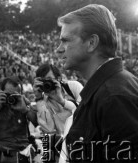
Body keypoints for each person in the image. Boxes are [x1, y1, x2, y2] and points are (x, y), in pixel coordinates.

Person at [57, 4, 138, 163]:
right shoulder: (107, 90)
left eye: (65, 40)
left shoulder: (113, 97)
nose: (58, 49)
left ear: (91, 43)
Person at [0, 76, 39, 163]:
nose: (11, 98)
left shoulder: (23, 104)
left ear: (21, 94)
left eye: (15, 95)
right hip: (1, 155)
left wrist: (25, 110)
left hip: (23, 154)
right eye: (8, 94)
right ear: (1, 92)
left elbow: (40, 126)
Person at [33, 63, 83, 162]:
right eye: (42, 80)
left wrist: (61, 100)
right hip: (63, 149)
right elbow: (48, 129)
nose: (46, 83)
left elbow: (85, 111)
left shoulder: (73, 87)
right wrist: (39, 99)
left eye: (49, 79)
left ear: (58, 78)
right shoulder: (43, 102)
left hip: (81, 143)